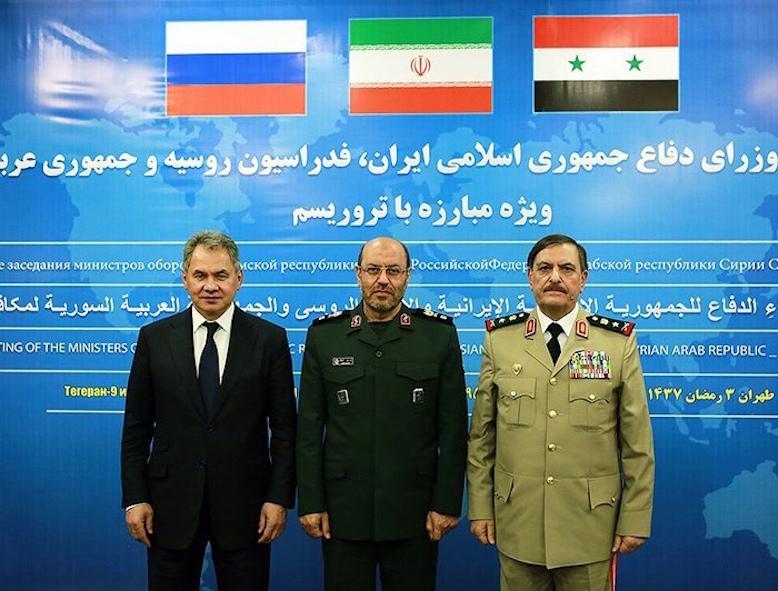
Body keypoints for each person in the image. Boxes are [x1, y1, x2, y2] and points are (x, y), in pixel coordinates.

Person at [467, 234, 655, 591]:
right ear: (530, 277)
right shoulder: (500, 340)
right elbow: (482, 437)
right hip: (518, 523)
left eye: (566, 269)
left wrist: (634, 517)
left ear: (583, 279)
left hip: (590, 527)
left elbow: (637, 443)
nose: (555, 277)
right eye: (544, 268)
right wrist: (479, 507)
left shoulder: (616, 343)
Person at [121, 230, 297, 591]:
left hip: (246, 507)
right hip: (170, 506)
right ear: (185, 279)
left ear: (239, 279)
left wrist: (278, 498)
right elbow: (136, 428)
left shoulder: (269, 339)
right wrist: (135, 498)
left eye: (221, 275)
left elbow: (284, 429)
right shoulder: (154, 338)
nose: (210, 285)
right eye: (200, 275)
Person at [296, 236, 468, 591]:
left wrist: (447, 503)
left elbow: (452, 432)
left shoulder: (438, 336)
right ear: (358, 273)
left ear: (408, 275)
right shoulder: (325, 336)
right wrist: (311, 502)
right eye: (373, 269)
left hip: (415, 513)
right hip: (343, 513)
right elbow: (309, 431)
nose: (383, 280)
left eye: (393, 271)